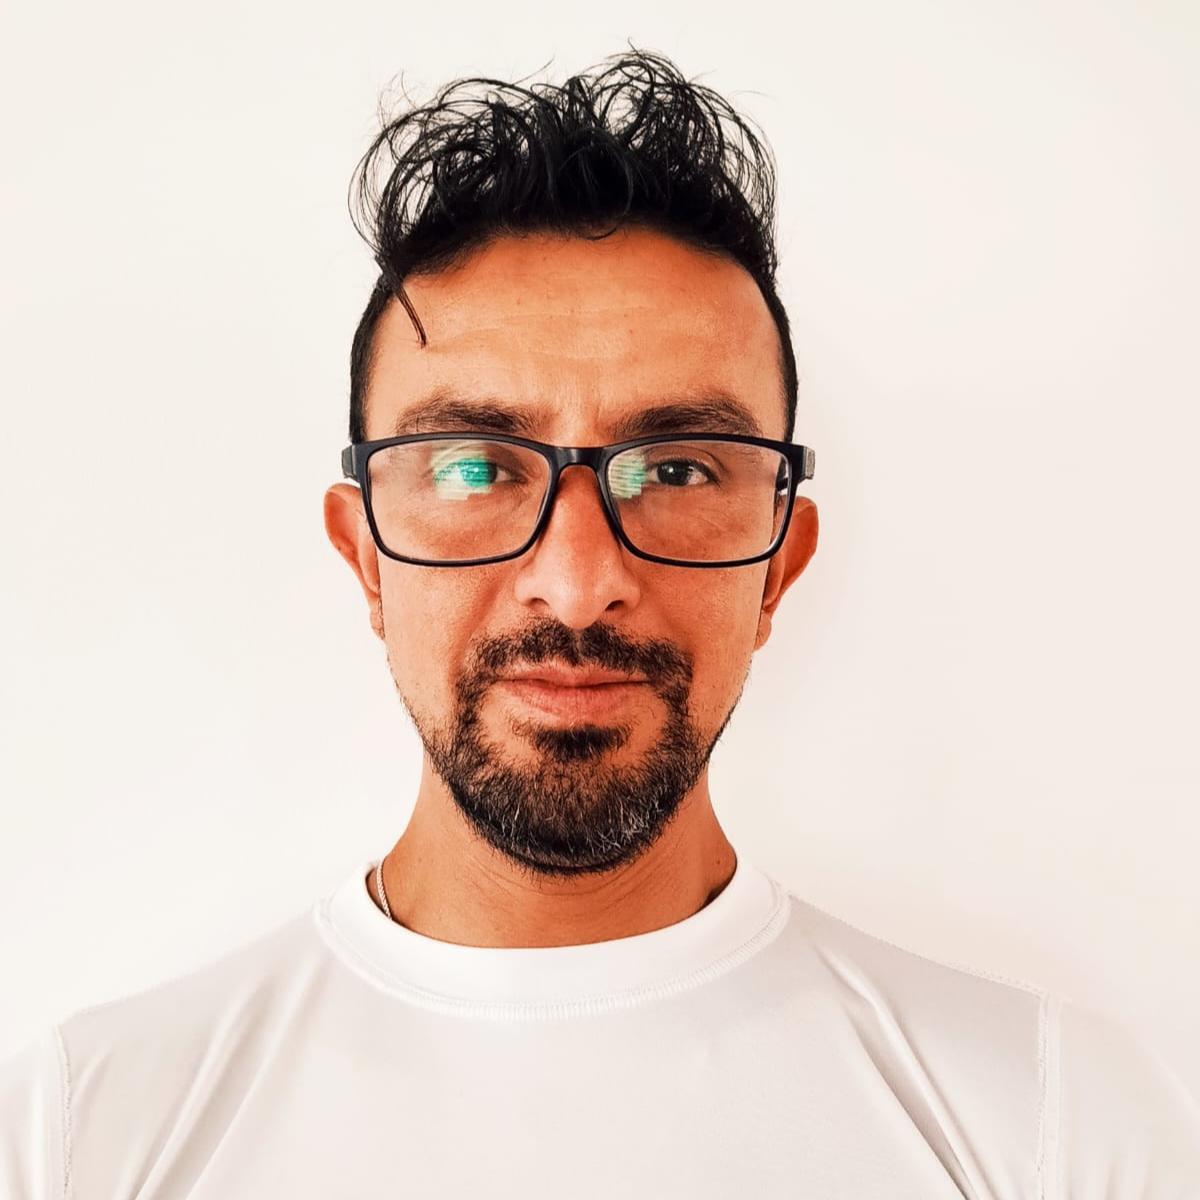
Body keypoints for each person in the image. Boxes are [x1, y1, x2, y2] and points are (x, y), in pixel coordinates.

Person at [2, 48, 1197, 1199]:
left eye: (676, 470)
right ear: (365, 556)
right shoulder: (81, 1131)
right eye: (474, 467)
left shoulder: (1050, 1128)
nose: (576, 587)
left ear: (778, 568)